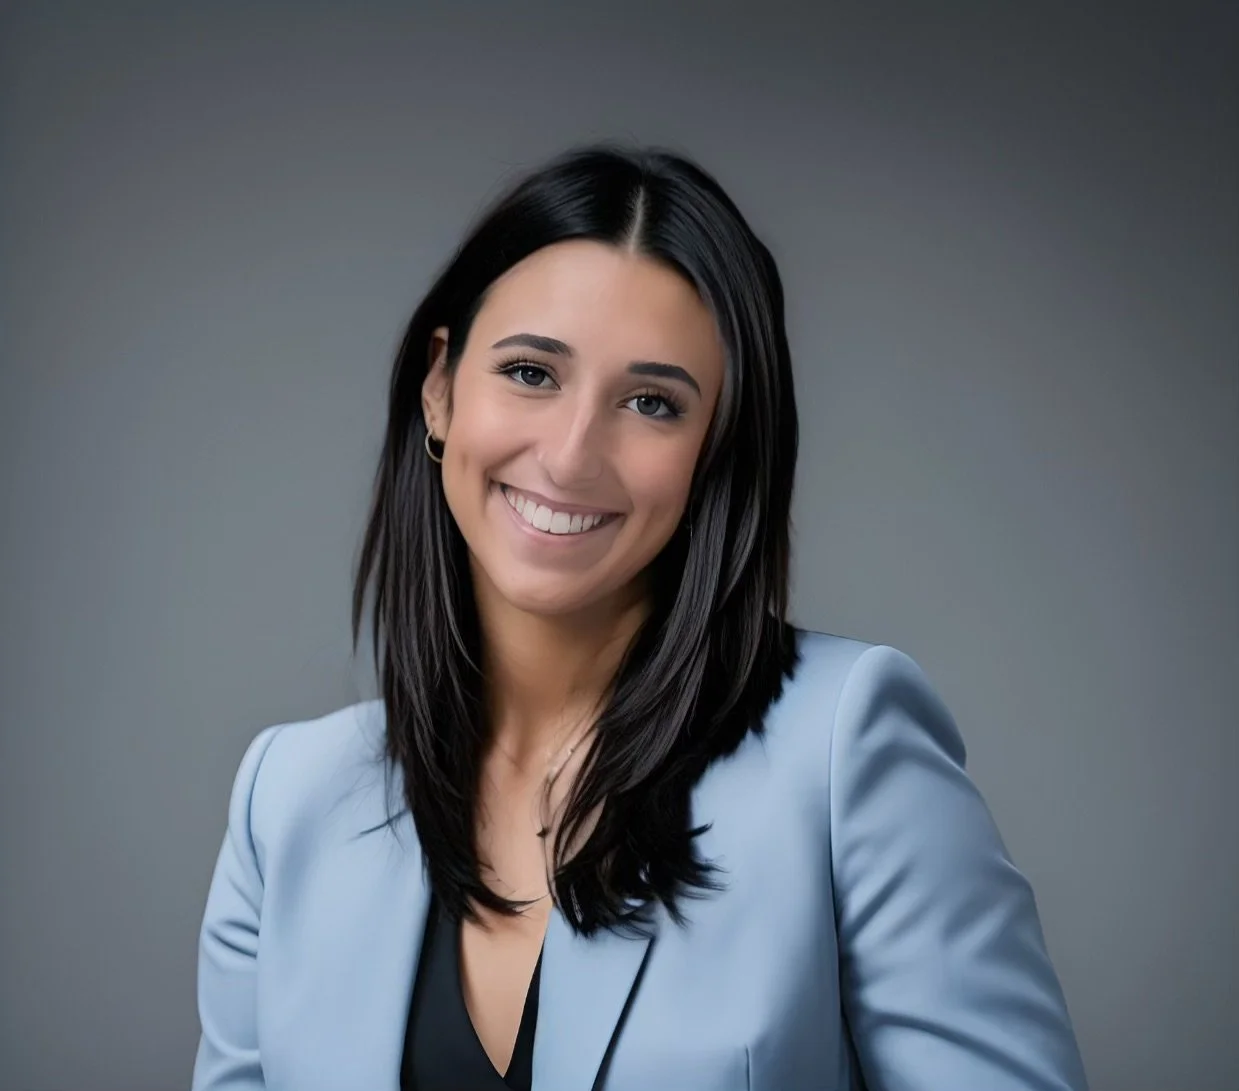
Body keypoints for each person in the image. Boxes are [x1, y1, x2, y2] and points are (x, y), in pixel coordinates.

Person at [191, 143, 1089, 1091]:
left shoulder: (844, 750)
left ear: (717, 449)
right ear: (441, 385)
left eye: (652, 402)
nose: (573, 455)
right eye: (532, 373)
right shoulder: (285, 798)